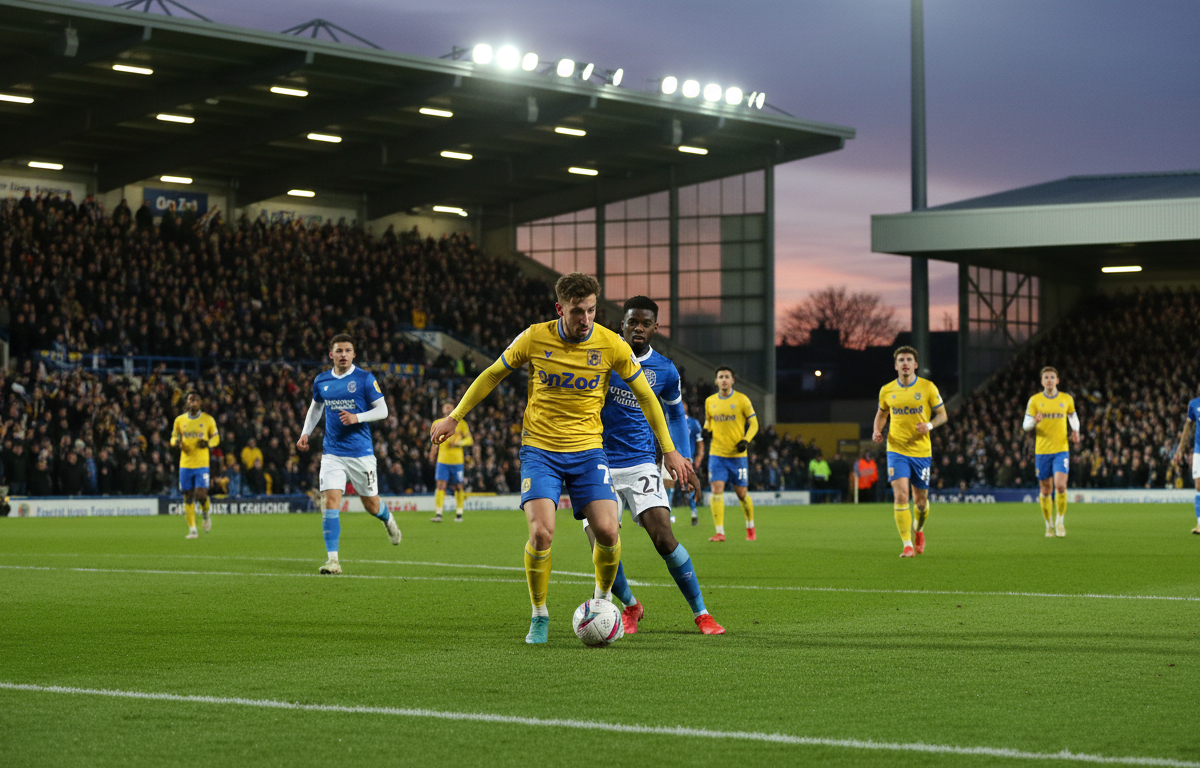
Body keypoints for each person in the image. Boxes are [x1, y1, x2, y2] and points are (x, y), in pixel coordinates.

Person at [429, 273, 697, 644]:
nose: (585, 319)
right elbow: (492, 375)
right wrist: (454, 416)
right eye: (577, 311)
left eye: (590, 310)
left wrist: (668, 449)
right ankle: (539, 613)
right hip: (540, 450)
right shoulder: (534, 337)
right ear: (560, 309)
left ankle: (602, 603)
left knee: (607, 531)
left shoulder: (610, 344)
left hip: (589, 450)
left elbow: (649, 397)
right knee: (541, 533)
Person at [586, 296, 724, 636]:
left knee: (663, 537)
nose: (638, 328)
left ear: (655, 328)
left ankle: (702, 614)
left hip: (641, 463)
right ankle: (631, 606)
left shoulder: (664, 369)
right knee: (602, 543)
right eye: (632, 321)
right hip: (597, 461)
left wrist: (683, 456)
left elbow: (676, 414)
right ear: (622, 324)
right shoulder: (603, 358)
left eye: (645, 323)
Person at [297, 334, 401, 574]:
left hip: (360, 453)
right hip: (332, 453)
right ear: (331, 354)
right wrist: (305, 433)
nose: (343, 354)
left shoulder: (364, 378)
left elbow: (383, 411)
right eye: (339, 350)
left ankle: (387, 519)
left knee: (371, 505)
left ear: (354, 354)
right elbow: (316, 408)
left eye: (347, 350)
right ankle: (333, 561)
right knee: (329, 502)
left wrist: (357, 417)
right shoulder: (321, 380)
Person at [872, 346, 947, 558]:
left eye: (909, 360)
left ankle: (919, 531)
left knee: (921, 502)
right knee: (901, 495)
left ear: (915, 365)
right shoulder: (887, 390)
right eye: (901, 360)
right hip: (896, 449)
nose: (905, 363)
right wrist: (877, 431)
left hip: (921, 451)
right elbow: (881, 414)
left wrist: (929, 426)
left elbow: (942, 415)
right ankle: (907, 545)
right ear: (895, 366)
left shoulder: (928, 388)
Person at [1024, 367, 1081, 537]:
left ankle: (1060, 522)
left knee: (1061, 486)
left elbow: (1072, 416)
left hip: (1061, 449)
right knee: (1045, 489)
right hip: (1042, 451)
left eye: (1052, 377)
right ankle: (1048, 524)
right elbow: (1025, 425)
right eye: (1046, 377)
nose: (1049, 380)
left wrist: (1076, 431)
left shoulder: (1066, 399)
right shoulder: (1034, 401)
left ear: (1057, 380)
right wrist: (1034, 421)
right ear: (1042, 381)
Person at [704, 366, 758, 542]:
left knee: (741, 494)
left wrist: (746, 440)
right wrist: (705, 430)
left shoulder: (742, 400)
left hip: (737, 456)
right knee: (716, 490)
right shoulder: (710, 401)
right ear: (716, 381)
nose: (724, 380)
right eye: (721, 377)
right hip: (717, 454)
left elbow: (754, 424)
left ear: (733, 380)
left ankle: (750, 527)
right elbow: (708, 422)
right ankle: (720, 532)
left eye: (727, 376)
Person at [170, 391, 218, 539]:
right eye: (191, 400)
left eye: (196, 400)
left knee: (202, 494)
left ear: (200, 403)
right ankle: (192, 529)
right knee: (188, 496)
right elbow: (173, 437)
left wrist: (208, 443)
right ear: (187, 402)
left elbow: (216, 437)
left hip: (202, 463)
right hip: (185, 464)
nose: (193, 402)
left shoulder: (208, 420)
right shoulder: (180, 420)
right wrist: (176, 442)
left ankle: (205, 512)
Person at [428, 402, 473, 522]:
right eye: (445, 407)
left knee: (458, 486)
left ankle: (459, 513)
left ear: (454, 409)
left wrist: (459, 443)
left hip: (457, 460)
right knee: (440, 485)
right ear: (442, 410)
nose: (447, 409)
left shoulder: (462, 424)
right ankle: (438, 514)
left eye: (450, 407)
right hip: (442, 460)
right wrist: (433, 452)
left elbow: (469, 439)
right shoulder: (437, 423)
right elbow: (434, 441)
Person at [664, 401, 705, 525]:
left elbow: (700, 442)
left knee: (690, 487)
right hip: (671, 458)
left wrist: (699, 457)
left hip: (687, 459)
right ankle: (668, 515)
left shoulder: (693, 423)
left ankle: (694, 514)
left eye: (684, 404)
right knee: (668, 486)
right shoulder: (667, 420)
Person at [1172, 389, 1200, 534]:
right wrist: (1180, 449)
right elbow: (1188, 427)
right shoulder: (1194, 404)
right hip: (1198, 451)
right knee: (1198, 486)